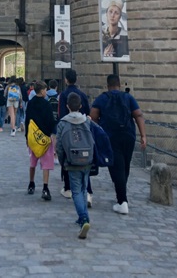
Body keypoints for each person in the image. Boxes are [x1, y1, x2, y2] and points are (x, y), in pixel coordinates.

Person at [90, 74, 146, 214]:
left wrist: (97, 134)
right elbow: (138, 115)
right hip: (128, 136)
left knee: (116, 167)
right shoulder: (128, 97)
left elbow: (93, 117)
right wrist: (143, 135)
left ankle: (122, 201)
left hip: (111, 137)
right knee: (125, 166)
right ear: (119, 85)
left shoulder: (102, 98)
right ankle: (121, 195)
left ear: (107, 85)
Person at [56, 92, 93, 239]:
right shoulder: (87, 121)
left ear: (67, 106)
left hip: (72, 161)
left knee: (76, 191)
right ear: (81, 106)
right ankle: (84, 217)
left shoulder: (63, 123)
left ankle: (83, 218)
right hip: (87, 160)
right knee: (83, 189)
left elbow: (59, 146)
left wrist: (62, 161)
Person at [58, 69, 93, 205]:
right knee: (84, 161)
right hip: (83, 132)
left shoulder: (64, 94)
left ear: (66, 80)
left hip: (68, 133)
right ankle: (88, 191)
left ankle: (68, 188)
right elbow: (89, 113)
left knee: (69, 160)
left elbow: (61, 115)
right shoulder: (82, 95)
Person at [25, 80, 56, 201]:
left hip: (33, 137)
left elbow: (28, 120)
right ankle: (45, 187)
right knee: (46, 164)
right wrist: (50, 134)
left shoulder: (31, 103)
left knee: (33, 162)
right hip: (44, 137)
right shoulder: (46, 104)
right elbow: (50, 121)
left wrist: (27, 137)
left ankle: (31, 183)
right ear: (42, 91)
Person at [46, 79, 59, 163]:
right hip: (56, 117)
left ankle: (47, 154)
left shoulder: (45, 95)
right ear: (56, 87)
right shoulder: (59, 96)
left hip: (48, 117)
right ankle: (55, 155)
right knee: (55, 135)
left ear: (49, 86)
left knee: (48, 135)